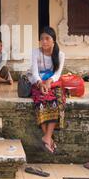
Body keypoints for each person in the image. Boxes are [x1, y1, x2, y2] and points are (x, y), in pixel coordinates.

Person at [26, 26, 66, 154]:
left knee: (56, 101)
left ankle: (47, 138)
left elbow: (57, 74)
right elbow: (34, 72)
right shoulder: (35, 52)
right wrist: (40, 83)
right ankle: (48, 137)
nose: (44, 41)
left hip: (52, 82)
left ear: (53, 40)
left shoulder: (60, 54)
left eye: (47, 38)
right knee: (41, 100)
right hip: (37, 81)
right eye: (42, 39)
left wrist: (48, 82)